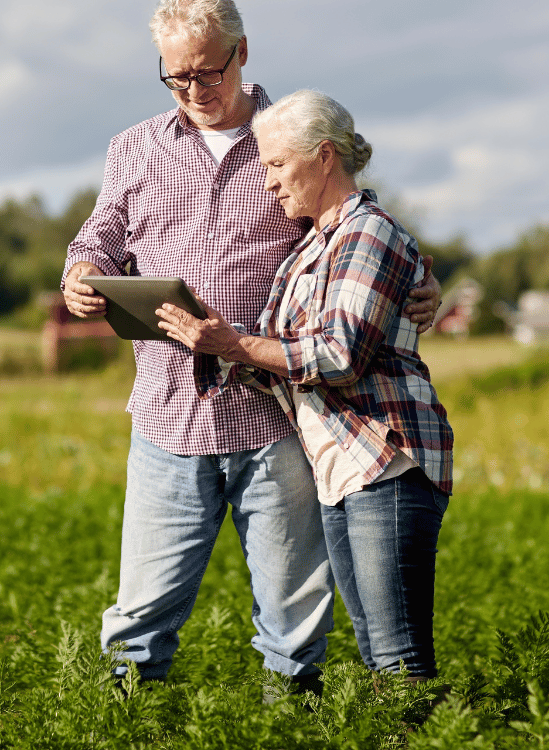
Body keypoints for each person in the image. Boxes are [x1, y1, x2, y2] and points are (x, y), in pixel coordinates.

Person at [61, 0, 441, 694]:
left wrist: (424, 281)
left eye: (209, 70)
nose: (196, 89)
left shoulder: (289, 135)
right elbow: (101, 234)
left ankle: (288, 727)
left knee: (294, 621)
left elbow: (360, 225)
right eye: (178, 77)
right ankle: (117, 729)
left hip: (279, 418)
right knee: (140, 616)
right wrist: (82, 272)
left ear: (242, 53)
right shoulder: (135, 149)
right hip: (169, 416)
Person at [156, 89, 453, 684]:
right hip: (343, 470)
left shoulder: (368, 234)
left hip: (385, 461)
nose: (266, 182)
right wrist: (203, 338)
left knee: (398, 657)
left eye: (275, 164)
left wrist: (231, 345)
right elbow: (286, 357)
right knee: (377, 650)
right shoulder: (312, 246)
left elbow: (338, 355)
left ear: (322, 157)